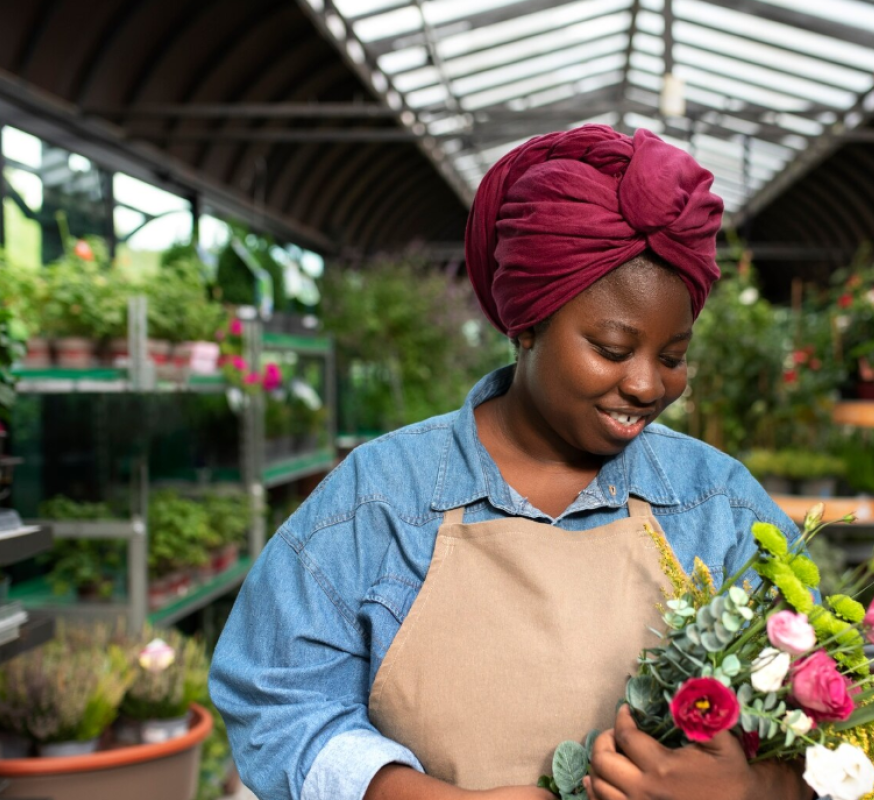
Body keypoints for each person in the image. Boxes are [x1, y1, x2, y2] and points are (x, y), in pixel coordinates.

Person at [210, 125, 808, 800]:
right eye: (613, 350)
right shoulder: (383, 500)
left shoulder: (716, 503)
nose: (647, 385)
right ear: (526, 324)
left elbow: (833, 708)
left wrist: (760, 791)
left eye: (671, 357)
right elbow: (276, 703)